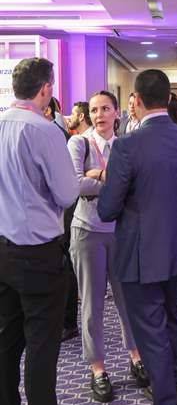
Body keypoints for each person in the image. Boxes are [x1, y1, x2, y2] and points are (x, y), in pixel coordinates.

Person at [97, 69, 177, 405]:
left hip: (141, 251)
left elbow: (107, 208)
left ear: (138, 100)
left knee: (150, 328)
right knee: (172, 319)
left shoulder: (128, 145)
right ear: (168, 98)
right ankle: (176, 387)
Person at [0, 57, 97, 405]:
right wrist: (89, 180)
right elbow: (66, 194)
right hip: (37, 251)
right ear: (45, 89)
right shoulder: (44, 129)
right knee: (42, 346)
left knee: (6, 341)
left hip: (3, 249)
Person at [68, 91, 148, 403]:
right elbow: (75, 185)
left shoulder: (126, 145)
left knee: (128, 300)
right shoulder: (79, 143)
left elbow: (137, 186)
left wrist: (96, 177)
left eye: (105, 109)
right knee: (92, 304)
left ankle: (136, 357)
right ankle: (98, 369)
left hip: (122, 232)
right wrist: (110, 177)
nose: (99, 115)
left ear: (117, 113)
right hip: (88, 232)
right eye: (93, 110)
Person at [62, 101, 93, 342]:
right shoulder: (75, 140)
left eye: (72, 113)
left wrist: (98, 176)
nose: (68, 117)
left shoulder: (81, 141)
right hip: (77, 213)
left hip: (86, 215)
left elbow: (78, 183)